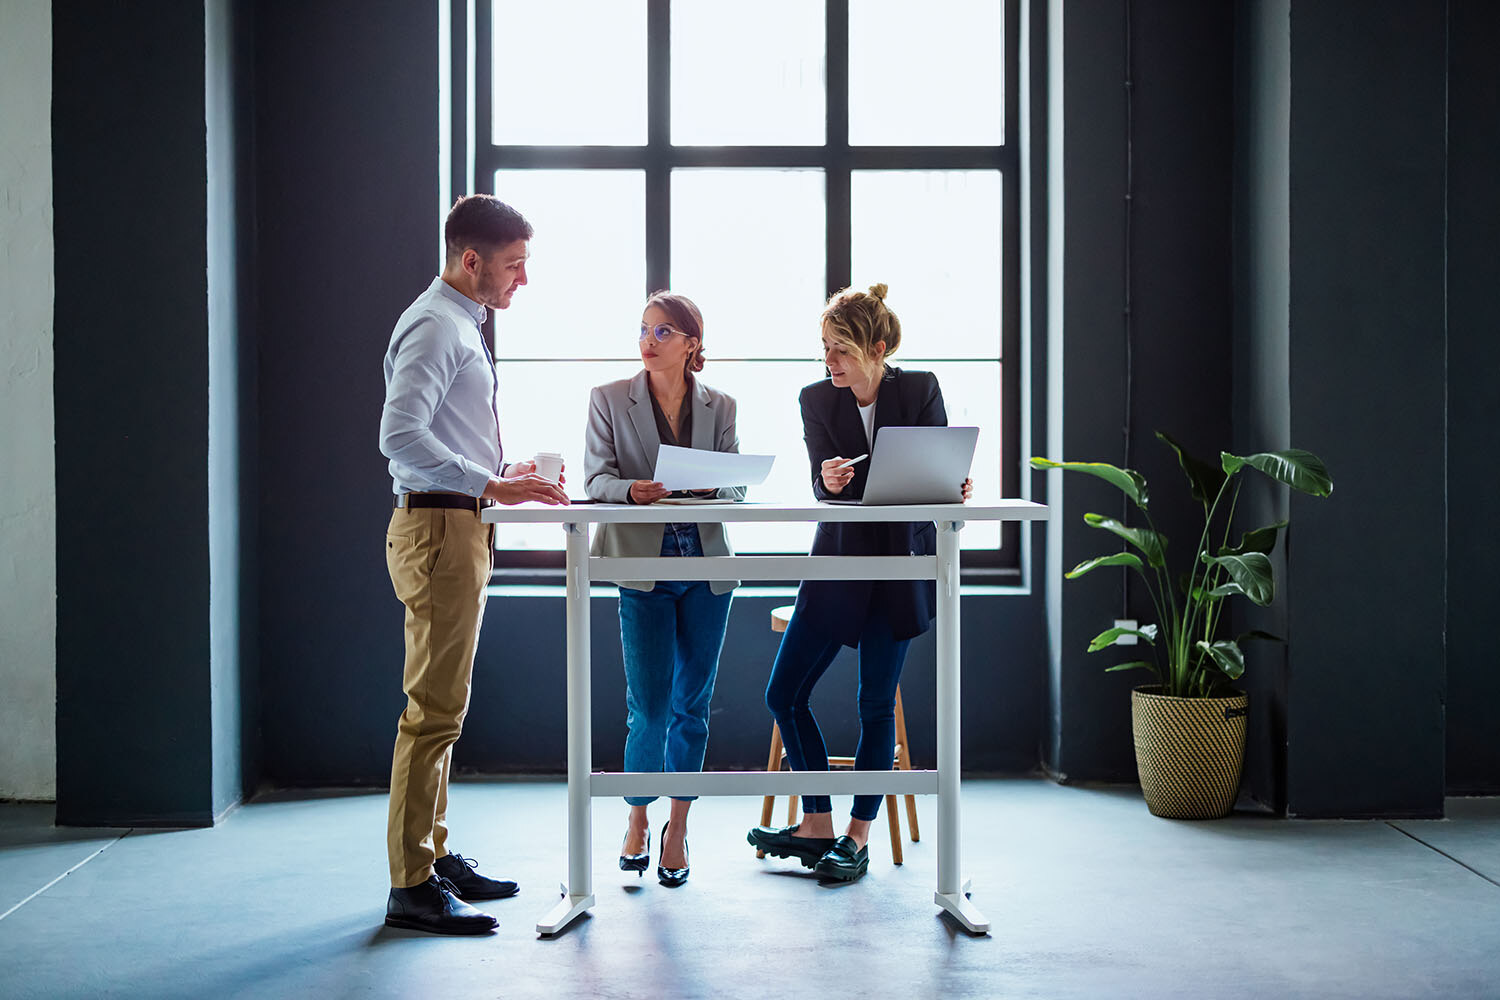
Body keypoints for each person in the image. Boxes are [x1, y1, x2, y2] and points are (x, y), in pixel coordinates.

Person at [379, 195, 569, 934]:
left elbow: (440, 433)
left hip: (458, 527)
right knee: (430, 714)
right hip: (438, 531)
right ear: (472, 260)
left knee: (444, 712)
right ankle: (411, 886)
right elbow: (399, 437)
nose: (521, 280)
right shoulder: (436, 324)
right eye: (514, 266)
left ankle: (432, 855)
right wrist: (492, 482)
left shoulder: (458, 322)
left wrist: (497, 468)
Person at [746, 283, 972, 883]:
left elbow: (940, 479)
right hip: (838, 563)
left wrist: (955, 487)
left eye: (840, 351)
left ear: (875, 348)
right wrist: (832, 482)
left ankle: (857, 836)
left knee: (875, 706)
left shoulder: (920, 389)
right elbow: (823, 491)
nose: (830, 363)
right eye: (825, 349)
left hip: (898, 566)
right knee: (783, 694)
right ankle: (816, 821)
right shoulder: (817, 399)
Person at [584, 291, 744, 888]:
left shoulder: (720, 405)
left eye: (663, 332)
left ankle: (677, 828)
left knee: (691, 709)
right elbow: (595, 478)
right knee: (647, 710)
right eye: (644, 330)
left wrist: (712, 491)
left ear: (691, 344)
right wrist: (631, 493)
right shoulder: (608, 399)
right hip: (641, 567)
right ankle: (636, 817)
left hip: (706, 567)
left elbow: (735, 486)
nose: (648, 342)